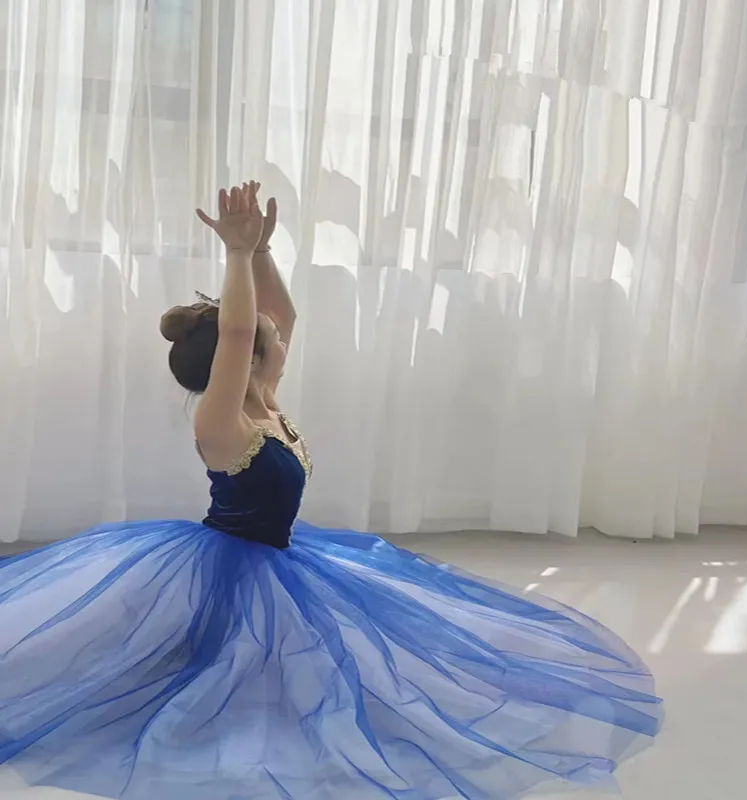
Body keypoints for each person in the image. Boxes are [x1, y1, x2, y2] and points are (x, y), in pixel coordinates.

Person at [0, 182, 662, 800]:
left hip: (280, 553)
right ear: (248, 359)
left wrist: (260, 253)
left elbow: (272, 315)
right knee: (234, 674)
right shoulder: (221, 419)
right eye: (269, 340)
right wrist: (233, 252)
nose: (281, 336)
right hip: (234, 561)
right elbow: (239, 331)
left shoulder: (265, 401)